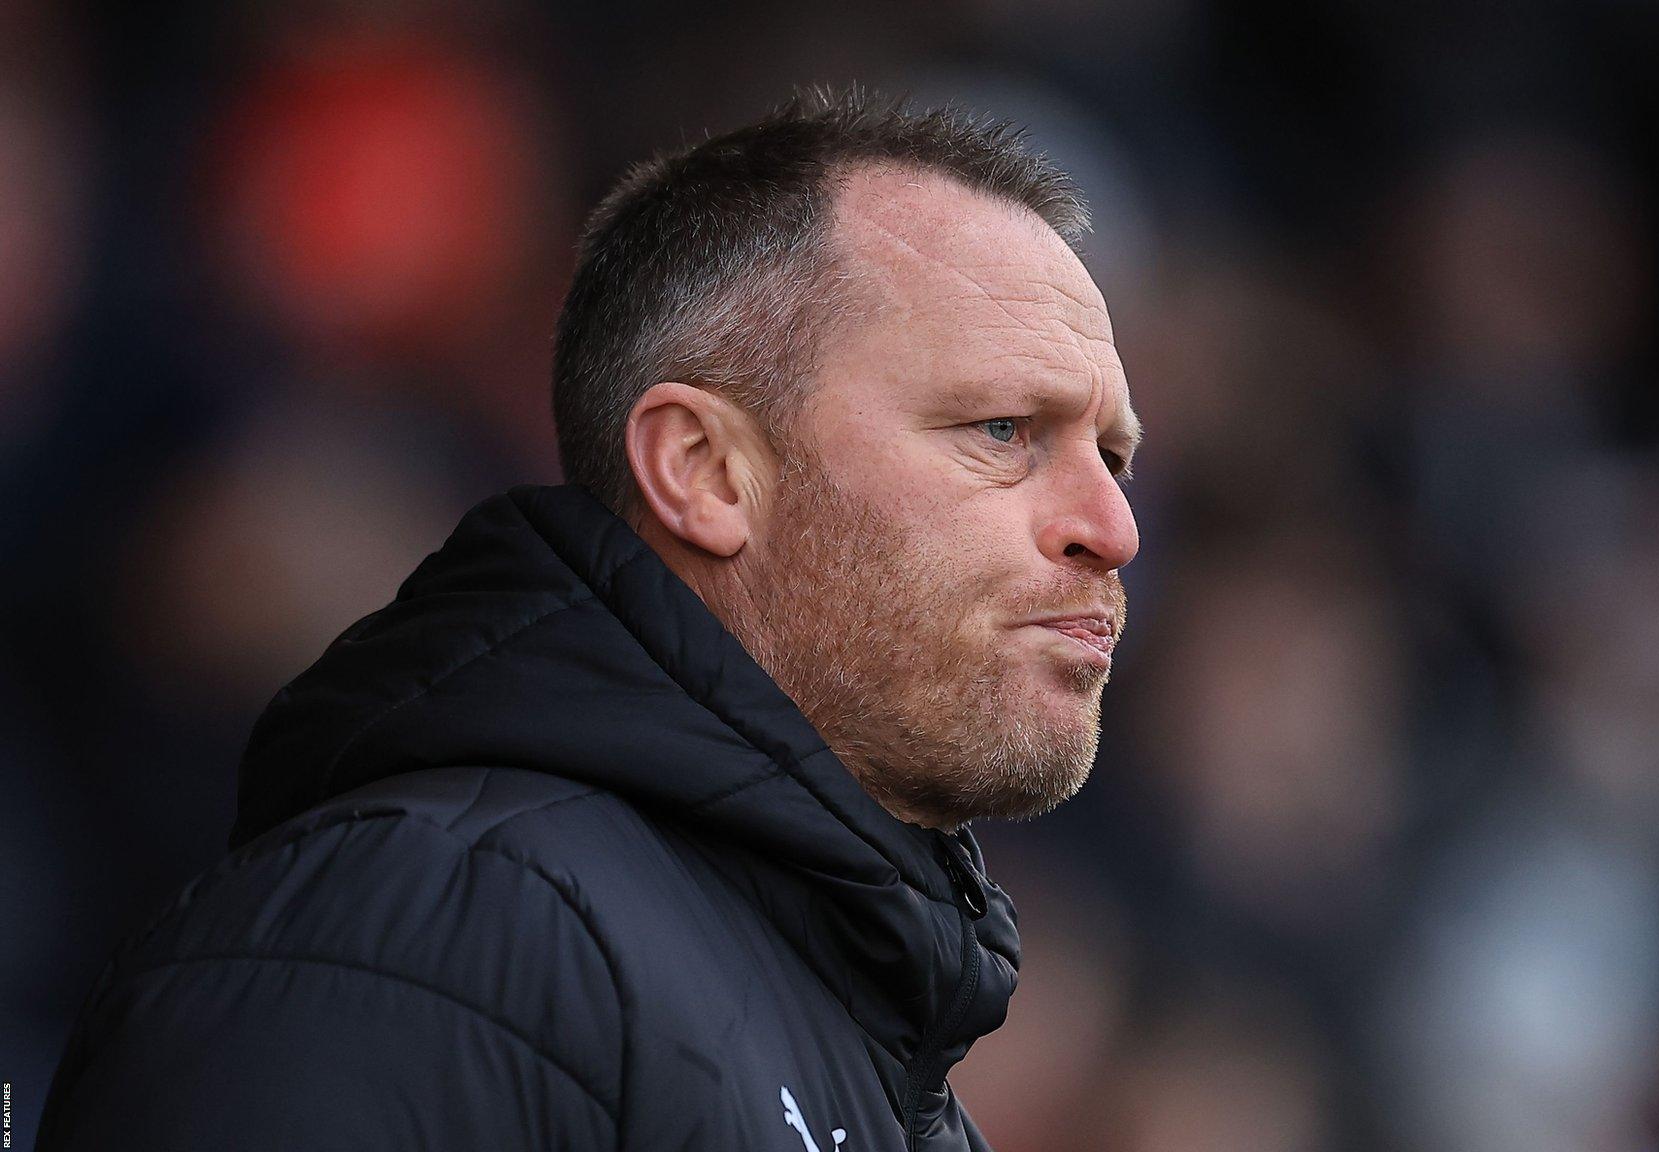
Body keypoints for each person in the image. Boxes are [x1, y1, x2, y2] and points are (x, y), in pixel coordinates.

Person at [34, 89, 1140, 1152]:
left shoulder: (873, 1048)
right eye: (1000, 429)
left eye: (1115, 456)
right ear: (704, 471)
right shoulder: (424, 943)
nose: (1112, 524)